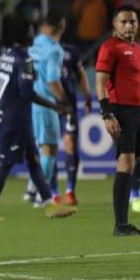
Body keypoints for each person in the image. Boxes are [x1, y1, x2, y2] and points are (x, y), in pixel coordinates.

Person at [0, 15, 75, 224]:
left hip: (11, 117)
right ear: (25, 34)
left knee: (33, 159)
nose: (33, 33)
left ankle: (49, 204)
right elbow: (27, 94)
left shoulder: (5, 57)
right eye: (31, 30)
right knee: (5, 164)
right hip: (16, 119)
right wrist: (54, 105)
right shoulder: (25, 60)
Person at [96, 6, 140, 236]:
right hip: (119, 111)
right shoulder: (110, 48)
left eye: (132, 22)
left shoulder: (138, 52)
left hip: (137, 112)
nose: (129, 25)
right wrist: (107, 114)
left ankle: (124, 222)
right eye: (123, 22)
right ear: (114, 25)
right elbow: (101, 81)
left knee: (133, 164)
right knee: (125, 163)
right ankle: (120, 224)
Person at [21, 15, 69, 207]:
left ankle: (32, 188)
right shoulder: (55, 50)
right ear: (61, 27)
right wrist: (64, 102)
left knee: (42, 148)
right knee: (50, 148)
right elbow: (53, 80)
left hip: (33, 100)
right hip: (47, 102)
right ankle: (42, 194)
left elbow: (29, 67)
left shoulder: (37, 43)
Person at [57, 30, 92, 205]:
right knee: (46, 147)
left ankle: (70, 190)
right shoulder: (38, 52)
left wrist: (87, 95)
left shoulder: (71, 51)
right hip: (46, 106)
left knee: (70, 143)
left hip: (68, 105)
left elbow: (80, 74)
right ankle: (50, 191)